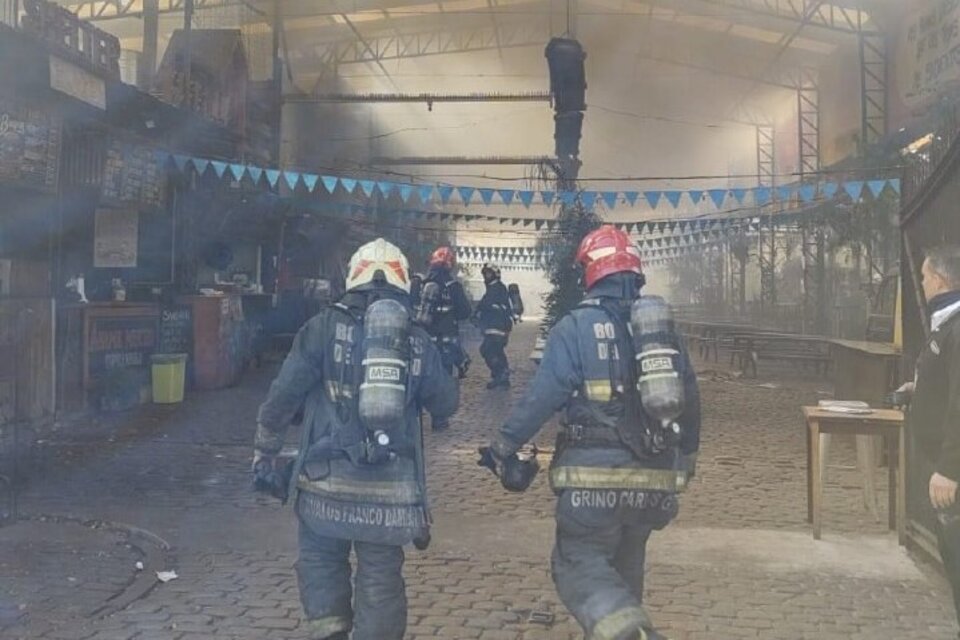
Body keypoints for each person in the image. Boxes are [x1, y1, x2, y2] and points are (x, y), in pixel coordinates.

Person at [479, 225, 700, 640]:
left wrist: (502, 446)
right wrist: (686, 459)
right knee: (625, 571)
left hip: (592, 482)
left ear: (591, 272)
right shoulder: (661, 332)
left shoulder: (575, 327)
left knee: (578, 561)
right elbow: (690, 398)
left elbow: (543, 396)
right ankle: (626, 629)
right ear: (634, 272)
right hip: (655, 481)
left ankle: (633, 633)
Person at [254, 238, 459, 640]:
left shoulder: (322, 327)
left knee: (320, 563)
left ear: (353, 276)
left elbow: (283, 395)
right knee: (381, 581)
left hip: (323, 485)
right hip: (391, 496)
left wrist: (265, 447)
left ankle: (331, 632)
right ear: (403, 282)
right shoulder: (415, 337)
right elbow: (446, 403)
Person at [903, 244, 960, 636]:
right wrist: (919, 389)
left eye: (924, 276)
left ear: (939, 280)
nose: (921, 283)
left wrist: (949, 468)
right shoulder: (947, 321)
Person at [419, 246, 472, 430]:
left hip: (424, 339)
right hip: (446, 343)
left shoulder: (421, 284)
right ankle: (439, 417)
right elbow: (465, 312)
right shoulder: (453, 286)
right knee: (443, 377)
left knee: (424, 374)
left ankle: (418, 411)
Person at [475, 263, 513, 389]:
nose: (486, 276)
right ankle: (501, 376)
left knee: (488, 350)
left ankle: (500, 374)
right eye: (485, 273)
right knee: (496, 351)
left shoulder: (497, 288)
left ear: (495, 274)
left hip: (498, 327)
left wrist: (482, 311)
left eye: (489, 273)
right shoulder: (493, 288)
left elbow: (489, 305)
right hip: (494, 327)